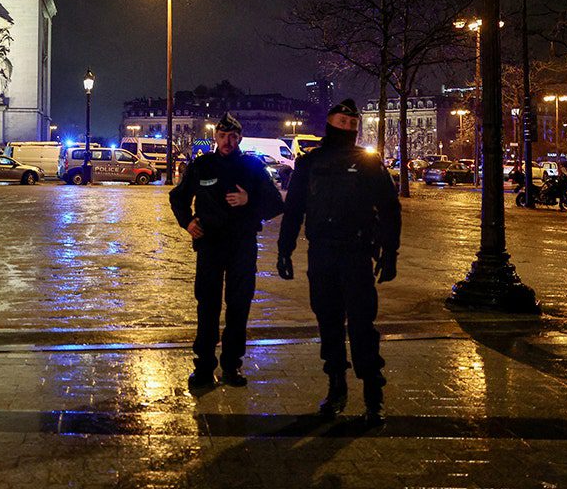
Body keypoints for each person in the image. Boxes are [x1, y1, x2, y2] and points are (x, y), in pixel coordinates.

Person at [277, 99, 401, 425]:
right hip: (322, 253)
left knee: (362, 326)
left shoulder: (368, 164)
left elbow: (390, 210)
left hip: (357, 252)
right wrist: (284, 249)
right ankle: (336, 387)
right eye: (341, 121)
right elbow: (293, 210)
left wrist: (390, 253)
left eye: (352, 124)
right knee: (328, 324)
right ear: (330, 122)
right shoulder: (309, 163)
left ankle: (373, 394)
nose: (347, 127)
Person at [170, 113, 285, 392]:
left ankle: (232, 364)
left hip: (242, 244)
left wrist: (250, 200)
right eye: (222, 136)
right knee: (207, 305)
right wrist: (187, 222)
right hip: (210, 244)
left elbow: (275, 204)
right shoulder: (202, 165)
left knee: (238, 305)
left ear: (240, 138)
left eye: (233, 137)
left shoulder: (253, 167)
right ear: (215, 138)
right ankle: (204, 366)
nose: (227, 142)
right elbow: (178, 197)